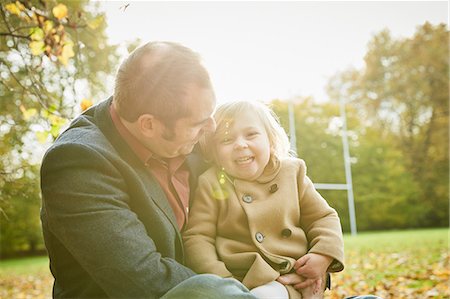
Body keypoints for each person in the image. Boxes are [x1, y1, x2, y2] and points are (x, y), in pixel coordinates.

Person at [40, 41, 256, 298]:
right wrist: (250, 290)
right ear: (149, 125)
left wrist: (307, 257)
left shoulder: (189, 133)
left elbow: (268, 184)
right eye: (199, 122)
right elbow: (146, 280)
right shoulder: (77, 164)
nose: (211, 127)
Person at [183, 100, 345, 299]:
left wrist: (323, 256)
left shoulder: (292, 173)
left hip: (294, 275)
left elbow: (323, 217)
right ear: (215, 152)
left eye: (251, 134)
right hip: (240, 280)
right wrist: (222, 281)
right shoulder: (211, 183)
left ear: (270, 140)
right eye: (226, 140)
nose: (240, 144)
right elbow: (198, 238)